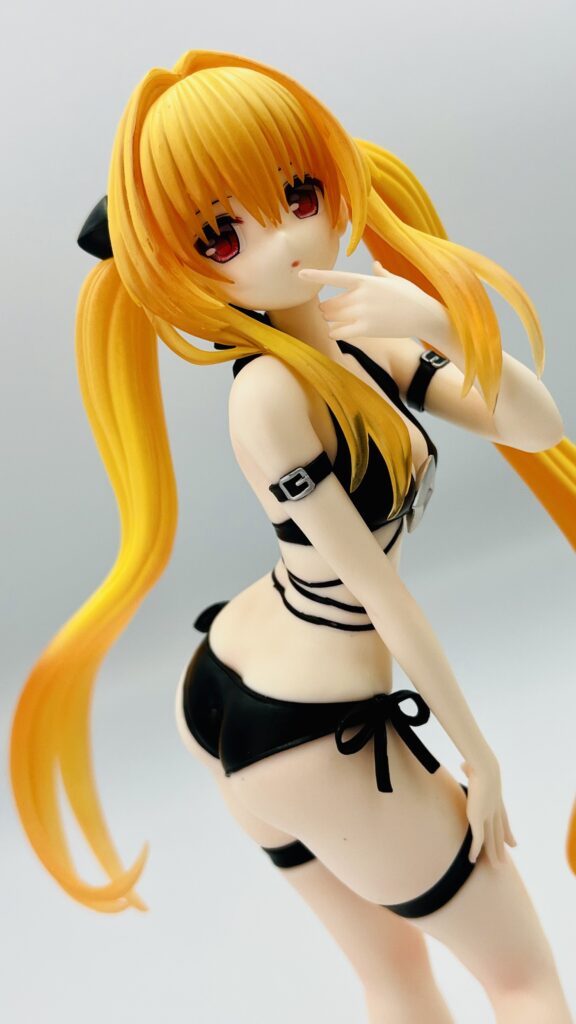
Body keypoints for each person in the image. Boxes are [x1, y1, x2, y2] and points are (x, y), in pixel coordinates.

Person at [10, 49, 575, 1022]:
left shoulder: (369, 342)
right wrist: (476, 753)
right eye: (221, 236)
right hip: (307, 727)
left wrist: (441, 318)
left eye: (298, 193)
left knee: (395, 978)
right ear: (176, 267)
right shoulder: (268, 399)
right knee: (525, 983)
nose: (279, 239)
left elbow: (537, 426)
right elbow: (379, 593)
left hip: (241, 685)